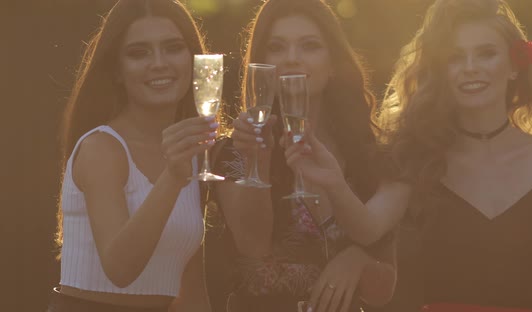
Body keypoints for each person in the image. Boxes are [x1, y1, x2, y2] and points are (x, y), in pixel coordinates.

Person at [284, 0, 532, 311]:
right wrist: (334, 182)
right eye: (456, 57)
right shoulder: (417, 157)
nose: (470, 66)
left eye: (486, 53)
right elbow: (366, 229)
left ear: (513, 66)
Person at [203, 0, 397, 311]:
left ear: (333, 63)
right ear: (262, 64)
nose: (292, 59)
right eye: (276, 48)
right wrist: (259, 158)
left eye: (309, 46)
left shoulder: (367, 156)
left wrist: (358, 260)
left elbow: (384, 290)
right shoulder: (232, 152)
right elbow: (253, 247)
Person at [50, 1, 215, 311]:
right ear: (117, 72)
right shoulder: (101, 148)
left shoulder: (192, 153)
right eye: (139, 53)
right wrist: (173, 177)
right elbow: (119, 269)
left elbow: (189, 290)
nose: (159, 63)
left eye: (173, 48)